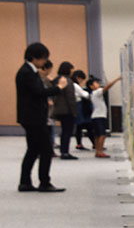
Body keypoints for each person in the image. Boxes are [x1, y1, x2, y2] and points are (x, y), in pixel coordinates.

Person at [15, 42, 66, 192]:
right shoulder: (26, 73)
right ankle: (44, 182)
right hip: (33, 117)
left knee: (33, 150)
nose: (44, 62)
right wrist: (59, 88)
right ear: (34, 58)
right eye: (43, 58)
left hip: (32, 116)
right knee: (45, 150)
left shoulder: (30, 72)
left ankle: (25, 182)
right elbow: (39, 93)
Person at [85, 75, 120, 158]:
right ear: (91, 86)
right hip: (99, 116)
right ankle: (100, 151)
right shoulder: (97, 92)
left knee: (97, 135)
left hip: (95, 116)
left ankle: (98, 151)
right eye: (96, 83)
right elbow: (107, 87)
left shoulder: (93, 94)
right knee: (102, 135)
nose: (98, 84)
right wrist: (117, 79)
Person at [50, 61, 78, 160]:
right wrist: (74, 111)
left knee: (64, 131)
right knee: (67, 131)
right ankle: (65, 152)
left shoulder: (56, 80)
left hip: (58, 109)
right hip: (67, 110)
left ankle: (63, 151)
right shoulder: (67, 81)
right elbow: (70, 98)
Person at [71, 69, 92, 151]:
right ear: (77, 77)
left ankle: (79, 143)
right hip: (78, 105)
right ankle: (81, 144)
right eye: (81, 79)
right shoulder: (75, 85)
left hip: (76, 105)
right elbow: (85, 95)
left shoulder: (72, 84)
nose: (81, 81)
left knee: (79, 127)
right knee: (83, 124)